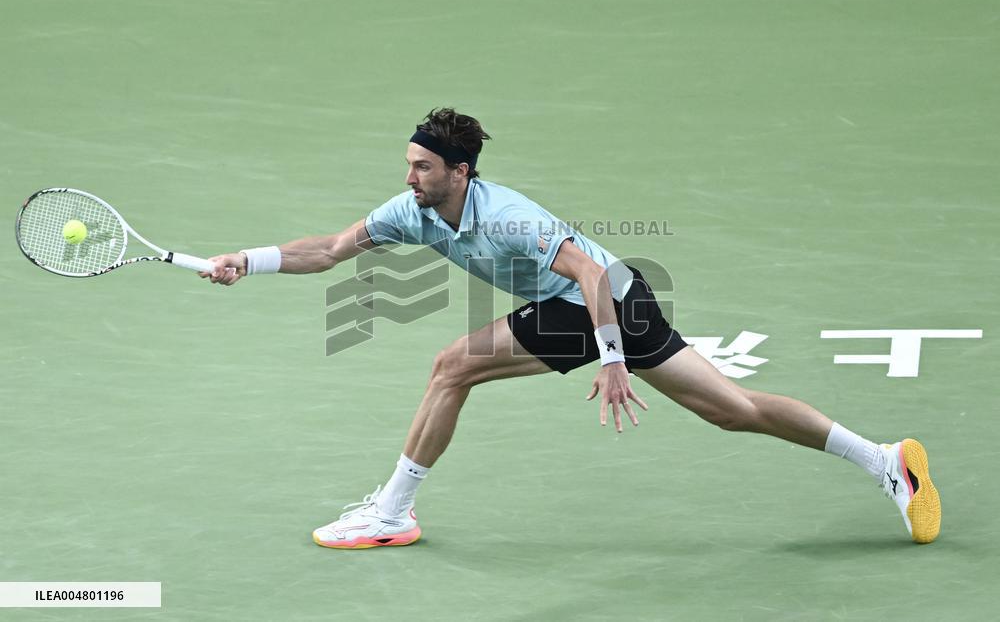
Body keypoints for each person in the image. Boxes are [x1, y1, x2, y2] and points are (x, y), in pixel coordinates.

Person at [201, 108, 941, 549]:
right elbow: (330, 251)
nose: (409, 178)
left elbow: (587, 273)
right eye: (408, 165)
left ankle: (391, 512)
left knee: (453, 365)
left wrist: (612, 358)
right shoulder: (412, 213)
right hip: (610, 301)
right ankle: (884, 461)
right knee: (733, 410)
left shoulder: (508, 215)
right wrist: (247, 260)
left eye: (422, 167)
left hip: (600, 301)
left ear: (460, 171)